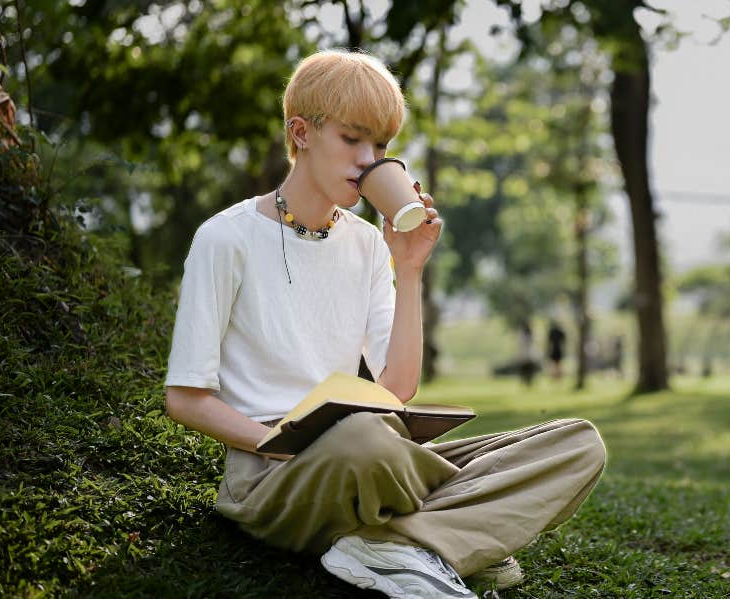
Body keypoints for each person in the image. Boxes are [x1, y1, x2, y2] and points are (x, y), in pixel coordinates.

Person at [163, 49, 606, 599]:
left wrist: (409, 269)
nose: (369, 162)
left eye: (381, 147)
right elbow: (185, 398)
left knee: (577, 445)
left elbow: (396, 389)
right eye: (353, 140)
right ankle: (454, 541)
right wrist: (279, 444)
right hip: (274, 474)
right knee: (365, 440)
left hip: (374, 450)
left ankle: (394, 546)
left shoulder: (370, 243)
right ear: (301, 133)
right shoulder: (225, 238)